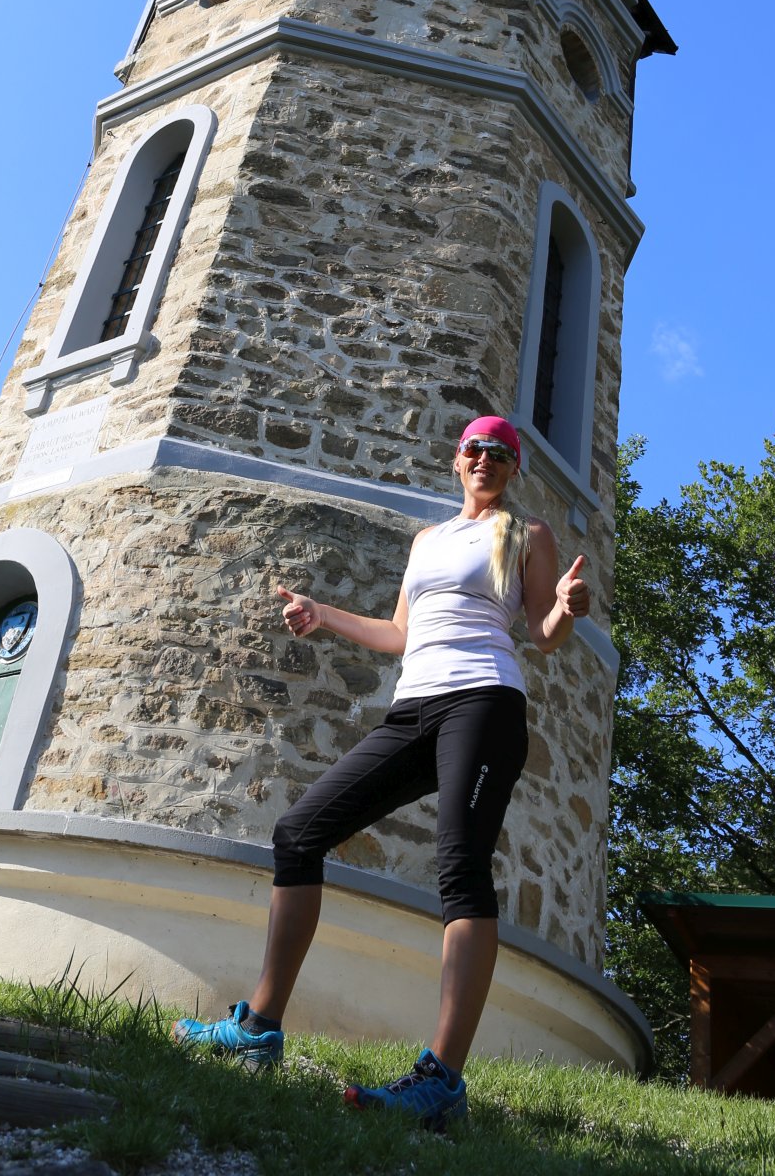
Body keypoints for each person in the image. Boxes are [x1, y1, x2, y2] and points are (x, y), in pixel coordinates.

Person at [173, 414, 590, 1130]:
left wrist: (565, 608)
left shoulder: (525, 535)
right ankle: (259, 1028)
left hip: (484, 703)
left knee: (459, 868)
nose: (485, 459)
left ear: (513, 469)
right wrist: (323, 614)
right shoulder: (427, 541)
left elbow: (545, 638)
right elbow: (401, 634)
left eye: (499, 452)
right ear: (457, 463)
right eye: (474, 450)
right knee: (299, 832)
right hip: (413, 710)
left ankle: (442, 1081)